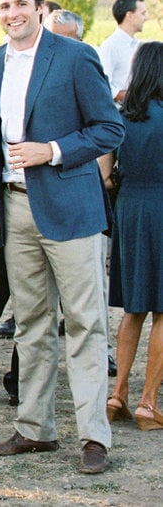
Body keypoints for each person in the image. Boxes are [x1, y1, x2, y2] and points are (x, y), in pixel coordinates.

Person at [0, 0, 123, 475]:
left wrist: (53, 150)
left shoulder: (75, 55)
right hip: (15, 208)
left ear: (39, 8)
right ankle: (34, 429)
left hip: (72, 206)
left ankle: (94, 438)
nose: (12, 13)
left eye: (21, 4)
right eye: (4, 6)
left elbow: (109, 128)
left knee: (85, 322)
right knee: (32, 324)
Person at [107, 41, 163, 431]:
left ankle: (117, 394)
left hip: (129, 208)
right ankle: (148, 402)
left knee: (133, 308)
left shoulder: (121, 116)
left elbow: (105, 169)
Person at [98, 0, 147, 105]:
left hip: (137, 112)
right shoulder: (110, 46)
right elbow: (101, 83)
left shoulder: (138, 45)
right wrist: (126, 96)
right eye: (143, 13)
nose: (146, 18)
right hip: (120, 115)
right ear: (129, 15)